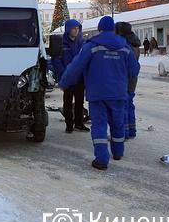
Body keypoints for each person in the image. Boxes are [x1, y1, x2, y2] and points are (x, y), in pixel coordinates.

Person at [59, 16, 140, 170]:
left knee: (99, 125)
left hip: (97, 93)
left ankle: (102, 160)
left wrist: (64, 83)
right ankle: (118, 152)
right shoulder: (125, 46)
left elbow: (76, 66)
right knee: (118, 123)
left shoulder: (91, 45)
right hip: (118, 93)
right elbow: (134, 70)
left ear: (100, 28)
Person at [53, 19, 89, 133]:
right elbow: (56, 60)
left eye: (78, 28)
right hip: (67, 77)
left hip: (80, 77)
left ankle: (79, 123)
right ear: (68, 29)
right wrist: (64, 74)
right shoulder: (62, 43)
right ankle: (69, 124)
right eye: (74, 28)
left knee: (79, 101)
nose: (76, 30)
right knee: (67, 101)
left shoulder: (81, 43)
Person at [115, 22, 141, 140]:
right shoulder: (134, 42)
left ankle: (124, 132)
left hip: (125, 77)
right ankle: (131, 130)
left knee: (123, 105)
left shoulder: (125, 45)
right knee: (129, 103)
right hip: (132, 79)